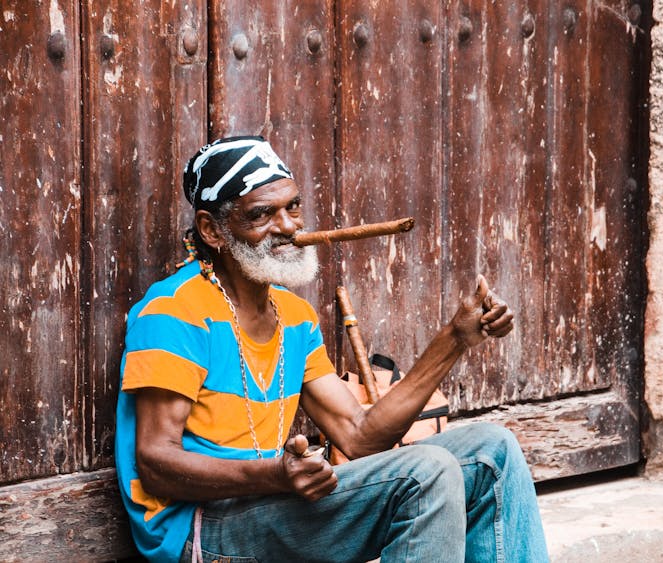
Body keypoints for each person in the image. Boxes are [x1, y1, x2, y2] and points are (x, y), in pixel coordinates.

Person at [115, 135, 549, 563]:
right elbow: (155, 463)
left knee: (494, 450)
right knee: (428, 473)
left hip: (266, 501)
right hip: (200, 529)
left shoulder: (294, 316)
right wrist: (274, 476)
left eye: (293, 207)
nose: (287, 227)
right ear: (213, 230)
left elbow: (360, 439)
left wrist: (454, 339)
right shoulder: (174, 311)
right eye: (262, 214)